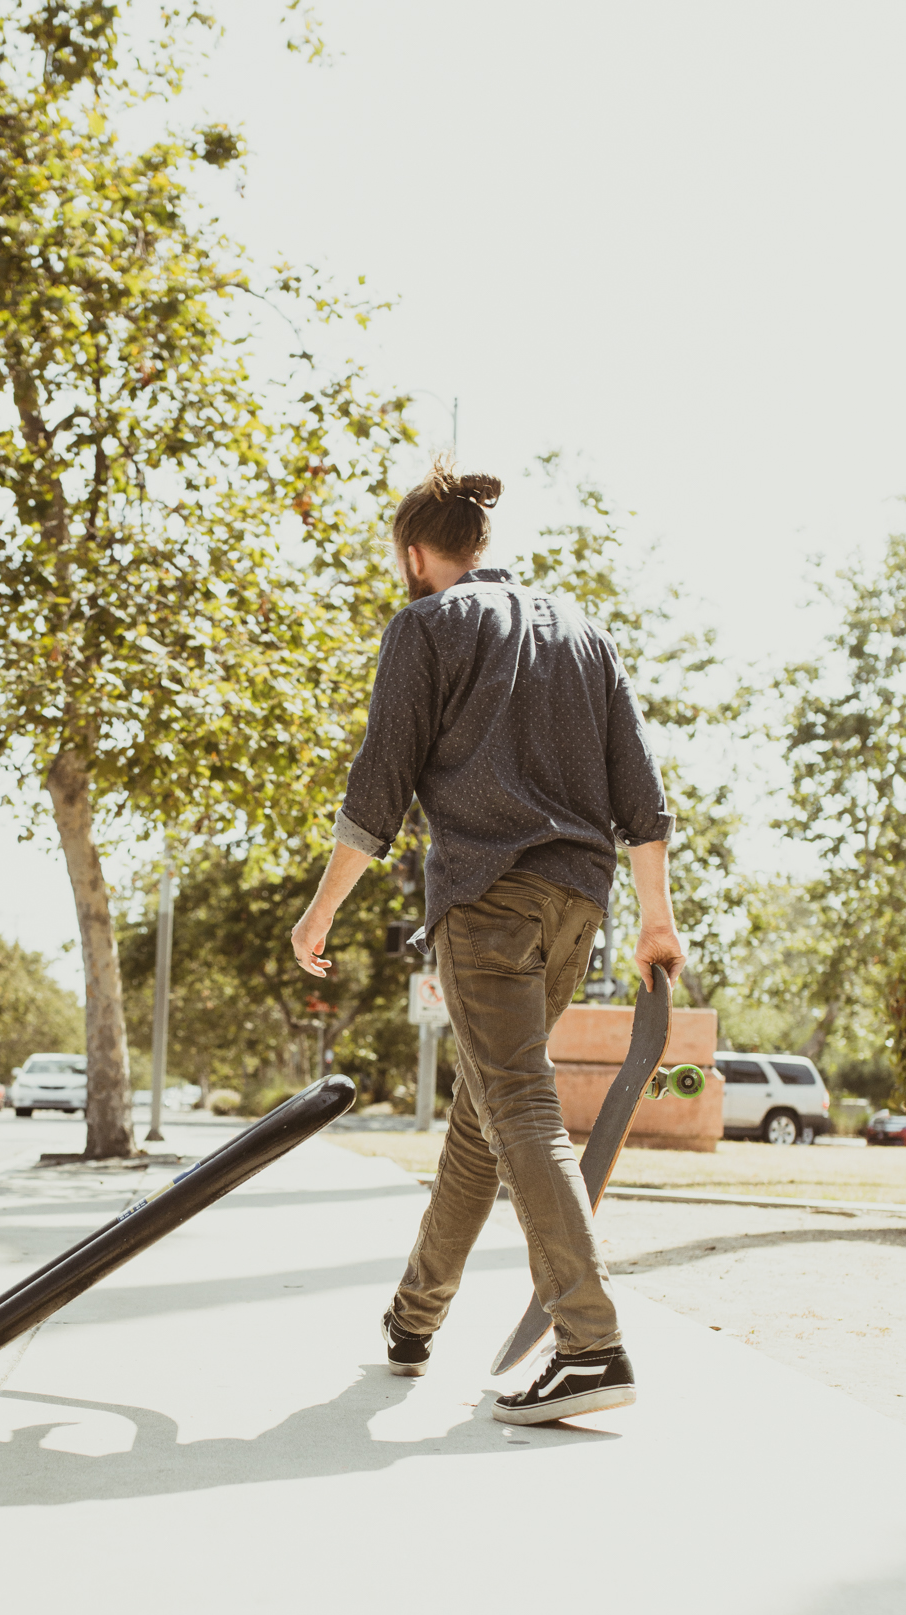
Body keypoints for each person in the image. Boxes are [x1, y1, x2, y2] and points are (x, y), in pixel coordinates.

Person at [289, 458, 685, 1425]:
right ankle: (413, 1320)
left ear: (418, 554)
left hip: (486, 899)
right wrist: (656, 918)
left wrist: (319, 912)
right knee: (481, 1112)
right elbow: (641, 794)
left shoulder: (424, 628)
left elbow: (379, 784)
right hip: (576, 910)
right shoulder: (583, 632)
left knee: (518, 1109)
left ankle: (590, 1347)